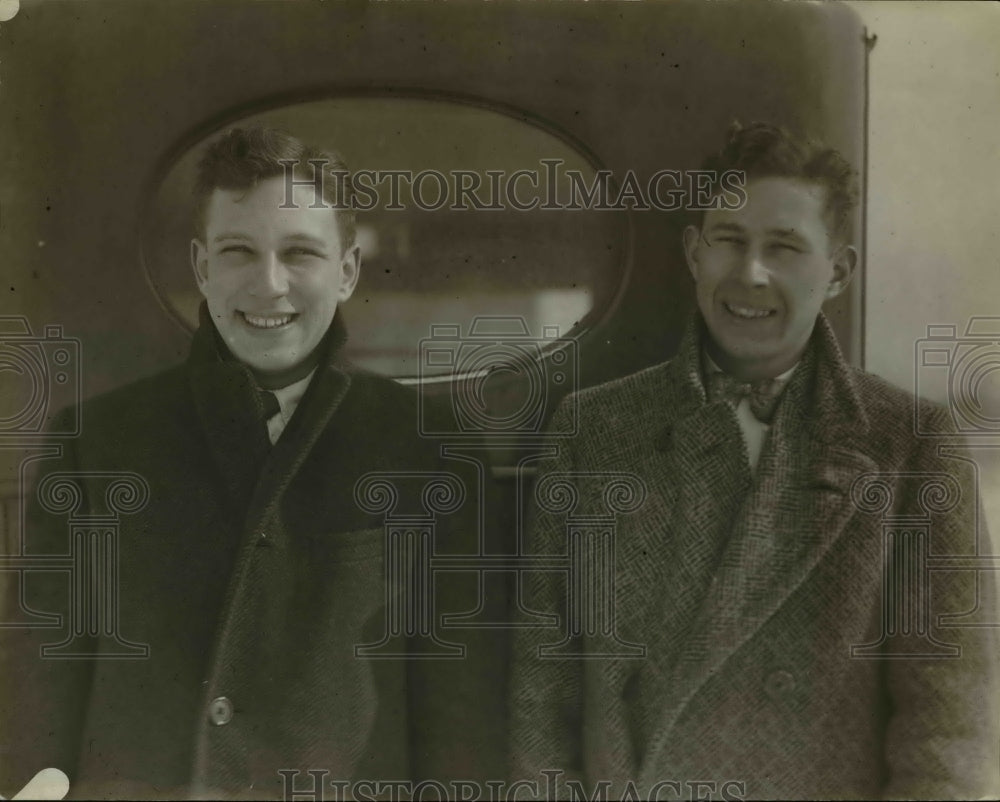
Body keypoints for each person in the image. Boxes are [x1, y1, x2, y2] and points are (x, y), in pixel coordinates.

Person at [0, 127, 503, 799]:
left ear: (347, 270)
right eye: (238, 251)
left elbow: (460, 705)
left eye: (300, 252)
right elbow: (41, 680)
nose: (268, 285)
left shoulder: (431, 450)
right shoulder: (99, 444)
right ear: (202, 266)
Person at [509, 121, 1000, 800]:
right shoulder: (594, 430)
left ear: (838, 271)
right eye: (730, 241)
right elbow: (544, 690)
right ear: (693, 253)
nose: (750, 274)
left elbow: (946, 728)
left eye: (785, 247)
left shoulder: (910, 444)